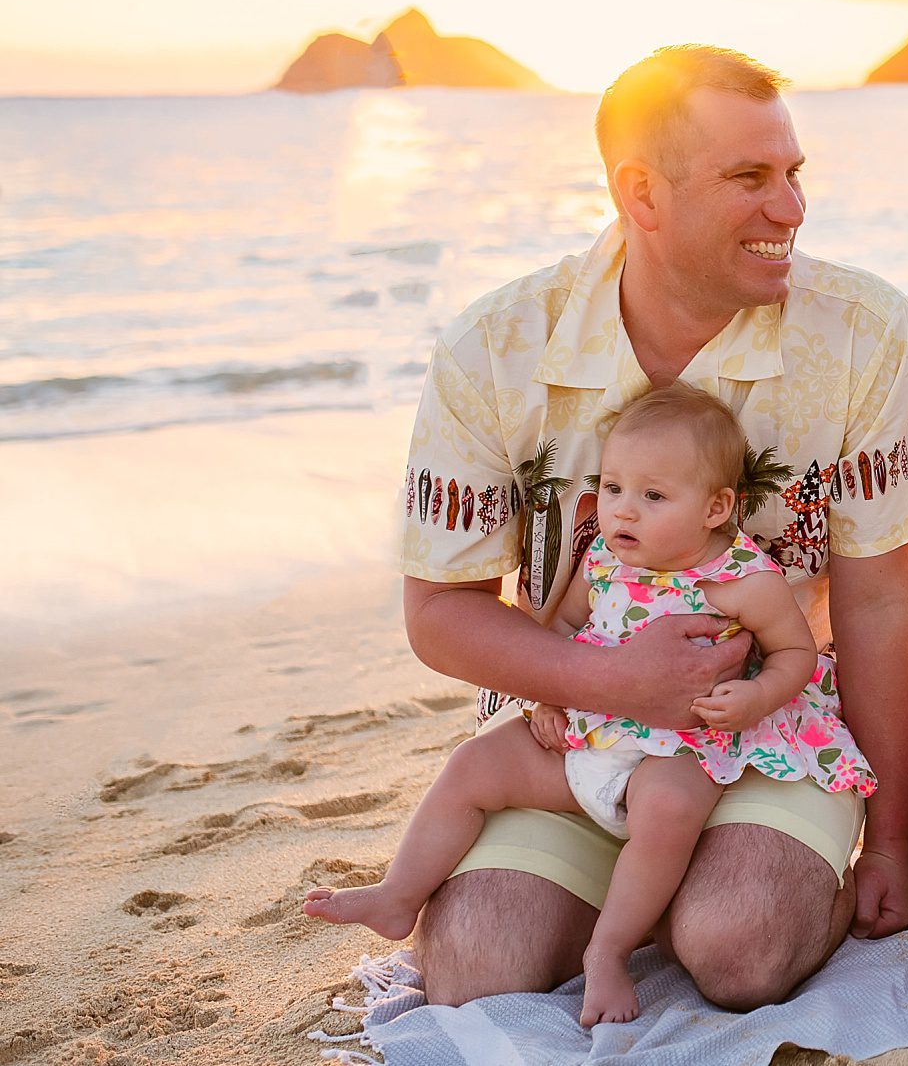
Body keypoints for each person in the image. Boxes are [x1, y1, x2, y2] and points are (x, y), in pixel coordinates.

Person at [395, 45, 908, 1010]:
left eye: (794, 174)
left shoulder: (866, 332)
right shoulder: (494, 347)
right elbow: (438, 613)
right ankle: (628, 888)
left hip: (775, 725)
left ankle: (716, 887)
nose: (790, 208)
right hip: (573, 724)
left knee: (738, 950)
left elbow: (879, 599)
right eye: (749, 178)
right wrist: (607, 678)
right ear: (641, 192)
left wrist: (888, 839)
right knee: (474, 969)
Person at [307, 384, 876, 1025]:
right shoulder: (604, 559)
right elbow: (557, 630)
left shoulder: (746, 581)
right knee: (474, 766)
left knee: (665, 811)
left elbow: (794, 656)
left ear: (717, 507)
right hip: (593, 723)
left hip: (688, 739)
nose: (623, 513)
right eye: (612, 490)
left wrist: (754, 697)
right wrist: (552, 692)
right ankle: (398, 895)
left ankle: (606, 952)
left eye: (653, 497)